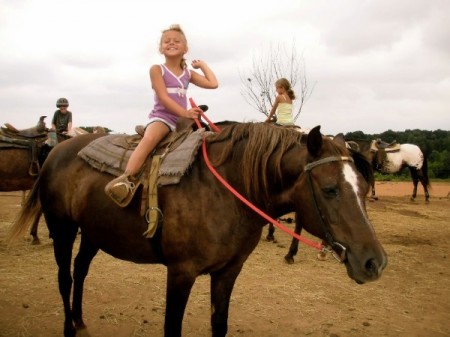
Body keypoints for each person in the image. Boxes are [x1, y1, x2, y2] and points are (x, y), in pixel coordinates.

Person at [105, 24, 218, 206]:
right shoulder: (157, 69)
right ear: (161, 48)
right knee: (150, 139)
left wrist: (202, 65)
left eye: (176, 41)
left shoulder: (188, 73)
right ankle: (125, 179)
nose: (171, 43)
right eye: (167, 41)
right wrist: (186, 113)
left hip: (184, 121)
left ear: (185, 48)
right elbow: (164, 98)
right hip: (163, 118)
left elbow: (213, 84)